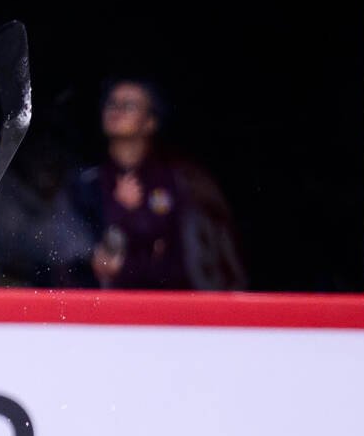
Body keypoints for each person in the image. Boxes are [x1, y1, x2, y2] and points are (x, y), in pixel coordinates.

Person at [70, 78, 244, 290]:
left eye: (129, 105)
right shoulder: (86, 183)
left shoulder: (182, 180)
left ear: (150, 121)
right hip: (108, 309)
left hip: (176, 308)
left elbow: (208, 255)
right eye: (111, 103)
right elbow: (70, 253)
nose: (117, 110)